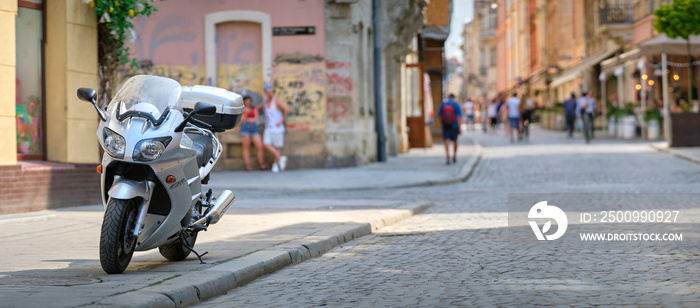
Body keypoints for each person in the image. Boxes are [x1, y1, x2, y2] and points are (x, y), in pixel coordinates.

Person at [262, 85, 290, 172]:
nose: (270, 93)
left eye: (271, 91)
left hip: (277, 128)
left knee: (278, 147)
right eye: (268, 92)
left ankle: (275, 165)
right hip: (269, 127)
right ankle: (280, 158)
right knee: (266, 144)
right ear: (265, 93)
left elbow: (286, 109)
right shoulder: (265, 102)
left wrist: (281, 121)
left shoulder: (276, 101)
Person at [240, 96, 266, 171]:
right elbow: (241, 121)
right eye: (247, 100)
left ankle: (261, 164)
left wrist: (248, 119)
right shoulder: (242, 109)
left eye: (249, 100)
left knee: (259, 146)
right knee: (246, 147)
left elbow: (256, 119)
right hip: (245, 128)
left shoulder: (254, 108)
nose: (248, 102)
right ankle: (247, 165)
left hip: (254, 128)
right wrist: (246, 114)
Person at [438, 93, 463, 165]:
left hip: (445, 125)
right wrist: (460, 128)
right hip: (454, 125)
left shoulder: (443, 104)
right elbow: (459, 117)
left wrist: (442, 124)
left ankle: (447, 155)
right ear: (454, 97)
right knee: (455, 140)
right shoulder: (456, 104)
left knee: (447, 140)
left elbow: (440, 116)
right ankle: (454, 155)